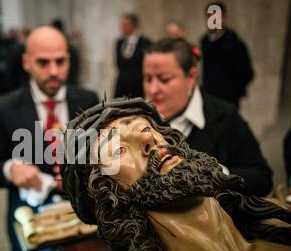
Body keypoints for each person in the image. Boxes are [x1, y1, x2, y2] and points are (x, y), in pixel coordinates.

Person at [22, 98, 290, 251]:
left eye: (146, 128)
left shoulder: (278, 220)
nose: (149, 139)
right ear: (107, 194)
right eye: (119, 150)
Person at [0, 26, 99, 251]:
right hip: (32, 220)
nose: (54, 71)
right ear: (26, 62)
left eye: (60, 62)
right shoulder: (4, 108)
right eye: (43, 62)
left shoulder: (88, 99)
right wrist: (10, 169)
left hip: (84, 218)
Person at [143, 37, 272, 196]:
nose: (153, 89)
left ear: (191, 77)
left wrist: (215, 174)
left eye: (164, 79)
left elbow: (262, 179)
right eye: (147, 79)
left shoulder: (225, 117)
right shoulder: (136, 120)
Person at [201, 2, 254, 108]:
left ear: (223, 18)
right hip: (208, 97)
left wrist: (237, 90)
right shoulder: (205, 41)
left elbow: (246, 73)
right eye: (209, 17)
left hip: (228, 99)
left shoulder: (234, 43)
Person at [114, 13, 151, 99]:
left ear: (133, 25)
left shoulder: (145, 43)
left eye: (125, 25)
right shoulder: (119, 42)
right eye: (121, 25)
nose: (122, 28)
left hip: (137, 86)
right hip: (121, 86)